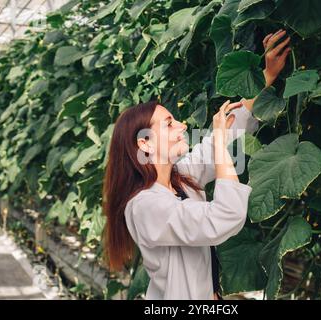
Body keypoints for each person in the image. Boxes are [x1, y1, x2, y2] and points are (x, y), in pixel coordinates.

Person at [102, 29, 291, 300]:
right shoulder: (144, 206)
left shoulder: (178, 178)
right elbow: (222, 217)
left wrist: (266, 75)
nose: (182, 126)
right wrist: (220, 146)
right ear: (145, 143)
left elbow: (222, 137)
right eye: (169, 124)